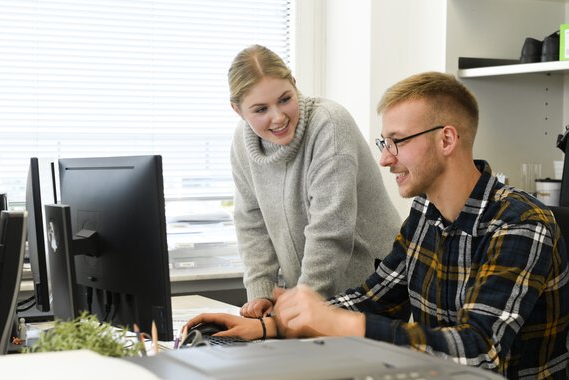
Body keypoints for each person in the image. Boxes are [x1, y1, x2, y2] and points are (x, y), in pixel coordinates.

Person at [186, 71, 569, 379]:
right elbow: (375, 298)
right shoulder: (426, 213)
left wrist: (337, 323)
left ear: (447, 139)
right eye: (383, 142)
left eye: (397, 141)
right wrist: (271, 326)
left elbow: (479, 353)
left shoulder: (520, 223)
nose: (385, 160)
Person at [228, 44, 401, 318]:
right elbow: (251, 222)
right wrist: (261, 293)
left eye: (285, 99)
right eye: (260, 109)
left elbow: (331, 230)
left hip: (374, 287)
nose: (278, 117)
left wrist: (302, 303)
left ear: (294, 84)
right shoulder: (242, 143)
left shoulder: (329, 125)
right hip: (313, 294)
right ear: (238, 110)